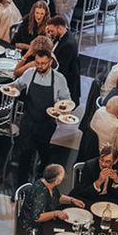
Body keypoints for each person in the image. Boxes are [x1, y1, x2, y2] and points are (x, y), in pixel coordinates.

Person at [8, 46, 74, 186]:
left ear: (50, 61)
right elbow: (18, 85)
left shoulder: (59, 79)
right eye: (37, 62)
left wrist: (63, 110)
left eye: (43, 63)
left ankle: (41, 183)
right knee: (24, 155)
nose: (39, 66)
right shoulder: (30, 73)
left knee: (44, 154)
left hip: (46, 123)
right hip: (28, 121)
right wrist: (10, 88)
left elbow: (66, 100)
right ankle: (21, 188)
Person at [16, 164, 84, 235]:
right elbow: (37, 217)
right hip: (31, 229)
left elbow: (57, 197)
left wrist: (71, 200)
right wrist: (55, 213)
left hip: (44, 220)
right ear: (57, 181)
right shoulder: (40, 193)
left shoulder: (49, 184)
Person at [44, 15, 81, 102]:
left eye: (52, 31)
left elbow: (62, 69)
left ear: (60, 28)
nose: (50, 33)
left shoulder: (68, 45)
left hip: (66, 79)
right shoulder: (64, 35)